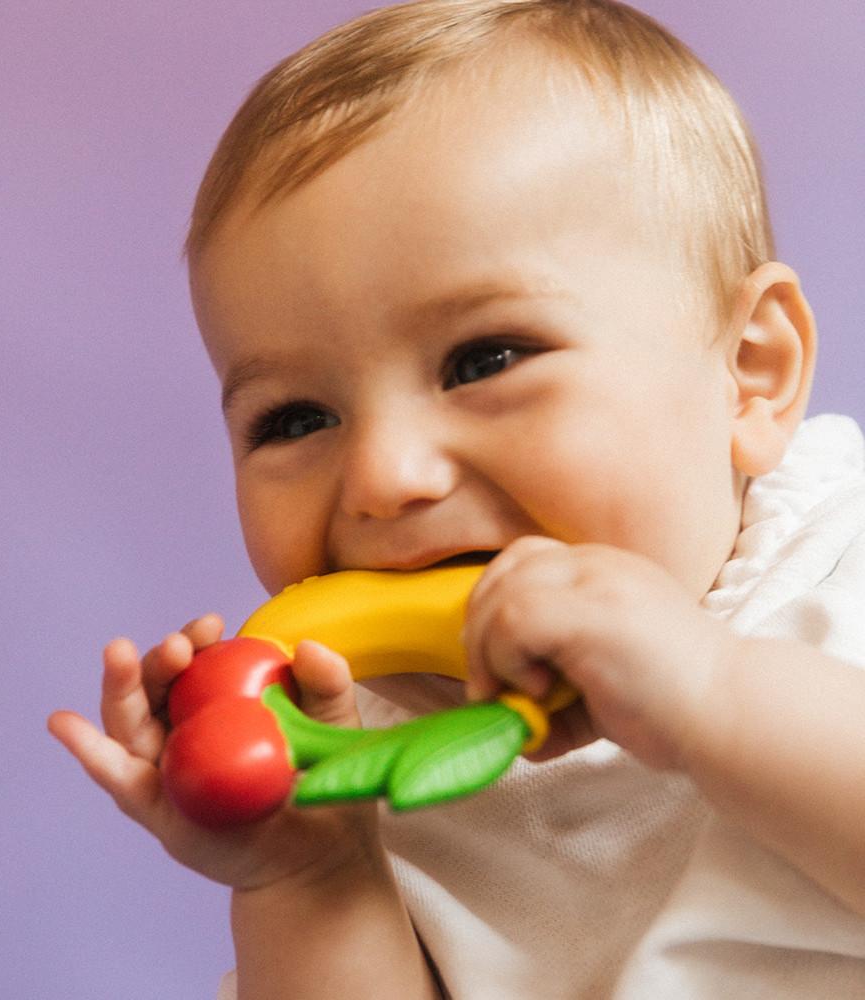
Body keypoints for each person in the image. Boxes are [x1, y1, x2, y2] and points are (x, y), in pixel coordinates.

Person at [48, 1, 865, 996]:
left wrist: (710, 690)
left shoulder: (839, 565)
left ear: (750, 372)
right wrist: (309, 876)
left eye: (485, 358)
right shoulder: (359, 751)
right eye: (294, 419)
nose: (385, 476)